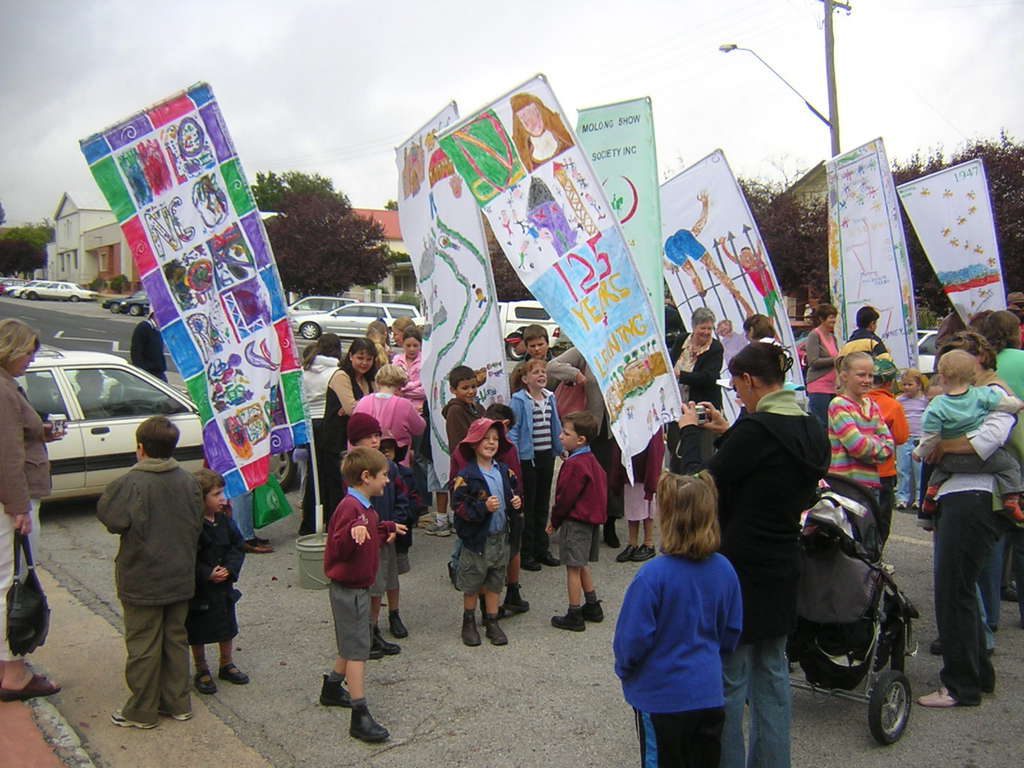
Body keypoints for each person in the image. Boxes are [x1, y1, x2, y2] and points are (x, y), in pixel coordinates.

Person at [673, 342, 830, 768]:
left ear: (749, 380)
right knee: (774, 676)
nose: (737, 395)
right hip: (782, 559)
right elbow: (768, 466)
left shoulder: (756, 432)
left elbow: (694, 488)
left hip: (738, 568)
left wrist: (689, 432)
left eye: (738, 386)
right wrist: (730, 433)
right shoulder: (811, 427)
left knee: (731, 679)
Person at [916, 331, 1021, 708]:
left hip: (974, 498)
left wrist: (942, 445)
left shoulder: (993, 399)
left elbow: (982, 445)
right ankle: (977, 674)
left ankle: (961, 684)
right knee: (959, 589)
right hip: (961, 496)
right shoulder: (979, 400)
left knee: (954, 591)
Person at [613, 472, 742, 768]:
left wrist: (625, 671)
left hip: (661, 698)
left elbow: (630, 641)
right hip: (708, 691)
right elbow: (731, 631)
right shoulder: (724, 570)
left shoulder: (651, 577)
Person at [97, 416, 204, 728]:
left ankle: (142, 709)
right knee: (175, 638)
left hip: (142, 575)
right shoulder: (188, 481)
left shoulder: (129, 483)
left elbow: (113, 520)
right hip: (180, 573)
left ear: (140, 449)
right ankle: (177, 701)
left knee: (143, 642)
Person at [319, 446, 406, 742]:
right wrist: (352, 533)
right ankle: (360, 715)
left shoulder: (364, 507)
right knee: (358, 650)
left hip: (356, 588)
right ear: (366, 477)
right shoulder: (350, 509)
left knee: (350, 641)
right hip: (349, 590)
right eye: (383, 476)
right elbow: (338, 545)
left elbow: (367, 532)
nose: (387, 481)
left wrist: (385, 529)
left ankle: (331, 688)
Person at [0, 319, 61, 702]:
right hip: (12, 504)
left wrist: (41, 432)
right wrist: (19, 506)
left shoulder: (7, 386)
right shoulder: (2, 391)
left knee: (9, 580)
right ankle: (14, 672)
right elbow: (7, 455)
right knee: (13, 583)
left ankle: (9, 663)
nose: (30, 360)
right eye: (28, 352)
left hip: (13, 500)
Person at [914, 349, 1023, 528]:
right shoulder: (983, 395)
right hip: (979, 459)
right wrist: (1017, 405)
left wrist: (919, 452)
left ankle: (931, 492)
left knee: (938, 468)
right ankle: (1011, 496)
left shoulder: (937, 405)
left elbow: (930, 437)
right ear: (973, 375)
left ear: (942, 377)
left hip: (949, 461)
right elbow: (1006, 403)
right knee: (1010, 465)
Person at [451, 418, 522, 646]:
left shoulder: (504, 471)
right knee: (472, 582)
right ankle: (469, 621)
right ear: (473, 443)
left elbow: (513, 491)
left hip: (500, 537)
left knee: (494, 581)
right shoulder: (466, 476)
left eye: (495, 439)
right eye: (486, 439)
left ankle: (492, 621)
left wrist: (516, 501)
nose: (491, 443)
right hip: (477, 541)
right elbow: (458, 506)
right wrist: (482, 508)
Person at [346, 413, 412, 652]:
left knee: (391, 577)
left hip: (390, 533)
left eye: (376, 435)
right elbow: (348, 507)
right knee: (373, 586)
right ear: (355, 442)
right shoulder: (351, 471)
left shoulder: (390, 467)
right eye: (368, 437)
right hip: (368, 537)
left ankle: (393, 615)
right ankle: (370, 630)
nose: (375, 441)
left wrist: (396, 522)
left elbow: (403, 496)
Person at [187, 469, 249, 696]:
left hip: (223, 586)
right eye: (216, 494)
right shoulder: (193, 526)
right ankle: (201, 668)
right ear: (201, 499)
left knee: (226, 626)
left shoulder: (224, 520)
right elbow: (188, 557)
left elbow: (237, 545)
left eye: (222, 493)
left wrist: (230, 569)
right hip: (201, 588)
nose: (222, 498)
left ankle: (226, 663)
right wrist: (206, 573)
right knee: (198, 629)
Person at [547, 411, 607, 631]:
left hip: (576, 521)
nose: (561, 436)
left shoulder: (574, 465)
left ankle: (574, 612)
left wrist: (555, 520)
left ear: (580, 439)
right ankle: (592, 604)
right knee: (582, 564)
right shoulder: (591, 460)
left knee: (572, 567)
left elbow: (565, 497)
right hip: (591, 520)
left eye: (566, 433)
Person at [508, 358, 563, 571]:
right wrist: (514, 456)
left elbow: (555, 425)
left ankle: (542, 548)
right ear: (525, 378)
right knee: (528, 505)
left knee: (542, 503)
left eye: (544, 372)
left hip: (546, 456)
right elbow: (513, 429)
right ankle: (527, 551)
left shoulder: (550, 398)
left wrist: (560, 448)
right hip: (527, 459)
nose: (541, 375)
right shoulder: (520, 400)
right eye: (536, 372)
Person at [424, 365, 484, 537]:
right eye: (465, 388)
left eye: (473, 387)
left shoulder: (474, 407)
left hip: (478, 461)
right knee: (465, 498)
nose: (471, 391)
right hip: (466, 463)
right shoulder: (456, 410)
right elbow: (460, 443)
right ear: (453, 390)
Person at [322, 339, 378, 519]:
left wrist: (357, 407)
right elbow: (351, 409)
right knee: (336, 486)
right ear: (351, 356)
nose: (364, 363)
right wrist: (360, 406)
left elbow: (358, 407)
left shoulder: (369, 379)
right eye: (360, 357)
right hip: (336, 439)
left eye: (368, 359)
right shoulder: (341, 376)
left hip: (356, 438)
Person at [828, 352, 894, 498]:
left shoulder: (873, 406)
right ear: (845, 376)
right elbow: (856, 446)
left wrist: (867, 446)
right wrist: (877, 445)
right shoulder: (839, 405)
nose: (867, 380)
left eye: (870, 376)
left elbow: (889, 446)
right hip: (846, 485)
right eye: (861, 375)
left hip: (870, 485)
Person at [668, 307, 723, 470]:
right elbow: (671, 364)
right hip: (678, 405)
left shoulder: (715, 348)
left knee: (701, 447)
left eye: (709, 328)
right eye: (703, 328)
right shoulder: (681, 340)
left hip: (702, 406)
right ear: (693, 327)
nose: (706, 332)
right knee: (676, 445)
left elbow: (709, 377)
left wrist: (682, 375)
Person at [299, 334, 343, 535]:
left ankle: (309, 522)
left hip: (310, 424)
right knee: (333, 475)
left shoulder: (305, 370)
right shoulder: (336, 372)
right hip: (329, 424)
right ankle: (333, 520)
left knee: (313, 475)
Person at [866, 358, 909, 544]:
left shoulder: (857, 401)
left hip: (857, 472)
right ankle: (877, 556)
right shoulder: (893, 405)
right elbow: (901, 437)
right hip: (884, 471)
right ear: (890, 383)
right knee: (881, 518)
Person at [353, 364, 425, 467]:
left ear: (378, 382)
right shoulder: (404, 405)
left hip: (367, 459)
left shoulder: (363, 402)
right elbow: (419, 429)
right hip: (397, 459)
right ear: (400, 385)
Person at [510, 91, 574, 171]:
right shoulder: (526, 156)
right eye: (524, 118)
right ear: (520, 125)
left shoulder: (564, 136)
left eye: (534, 112)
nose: (533, 122)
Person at [896, 368, 929, 512]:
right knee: (903, 469)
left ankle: (919, 498)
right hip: (904, 438)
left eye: (910, 384)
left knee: (919, 471)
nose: (906, 388)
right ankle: (902, 498)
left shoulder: (924, 400)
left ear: (919, 385)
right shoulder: (899, 400)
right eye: (904, 385)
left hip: (919, 439)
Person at [804, 303, 840, 427]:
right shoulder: (814, 335)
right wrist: (835, 359)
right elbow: (813, 361)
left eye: (834, 317)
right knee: (821, 424)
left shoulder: (832, 337)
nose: (834, 320)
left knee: (833, 424)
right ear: (821, 318)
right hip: (819, 386)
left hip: (832, 387)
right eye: (830, 317)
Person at [392, 325, 425, 413]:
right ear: (403, 344)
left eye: (415, 345)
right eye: (408, 345)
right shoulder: (396, 360)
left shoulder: (425, 361)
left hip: (419, 409)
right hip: (398, 408)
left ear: (421, 344)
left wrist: (404, 392)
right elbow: (393, 384)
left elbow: (425, 390)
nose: (412, 349)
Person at [130, 312, 167, 381]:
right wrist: (140, 371)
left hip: (158, 371)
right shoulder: (144, 327)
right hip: (148, 372)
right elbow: (136, 351)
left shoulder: (157, 329)